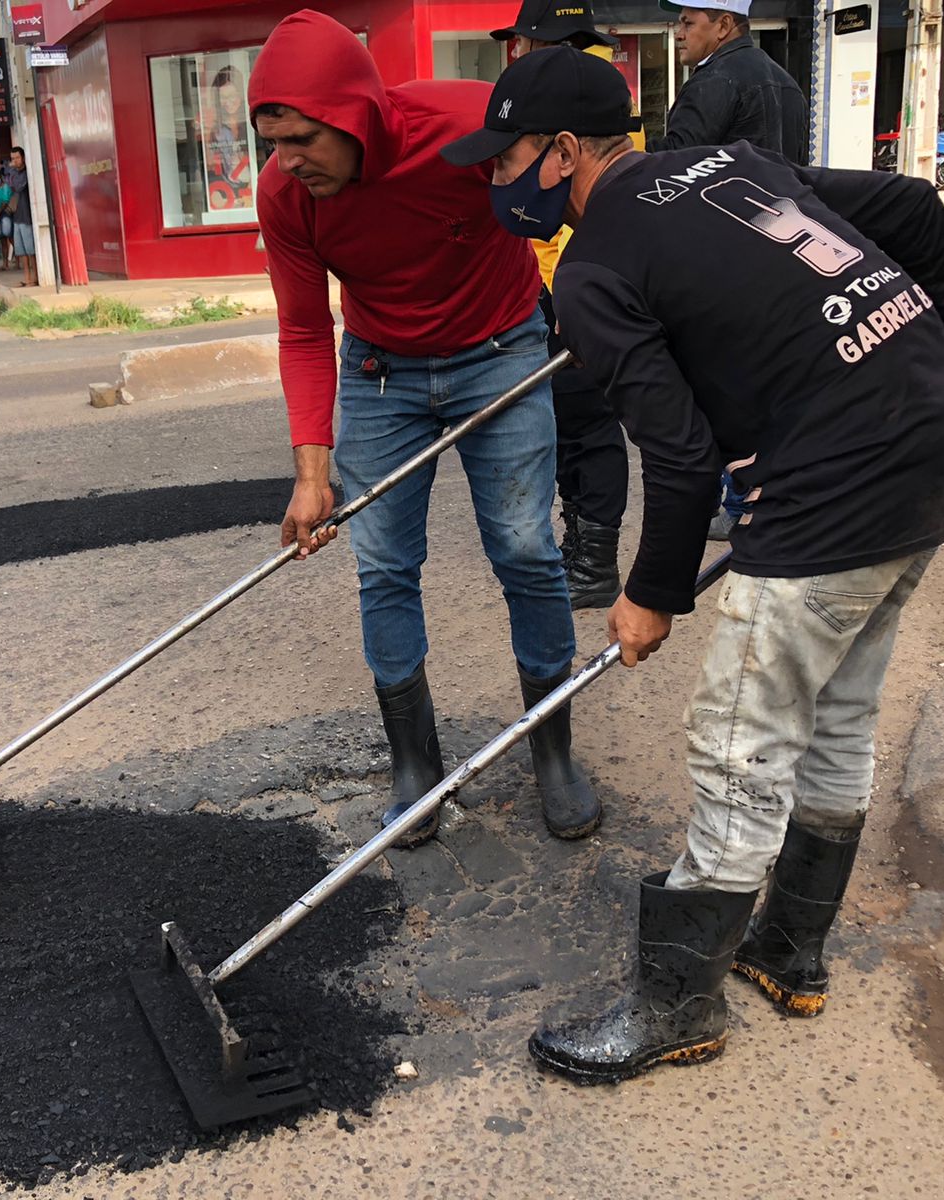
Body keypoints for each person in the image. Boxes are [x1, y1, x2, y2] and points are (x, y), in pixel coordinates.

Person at [444, 48, 944, 1084]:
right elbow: (917, 207)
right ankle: (787, 951)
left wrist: (648, 596)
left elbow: (682, 455)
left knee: (741, 739)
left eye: (503, 159)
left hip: (836, 483)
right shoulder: (726, 165)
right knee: (836, 711)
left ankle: (673, 1008)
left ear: (562, 154)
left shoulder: (597, 270)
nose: (493, 183)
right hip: (932, 439)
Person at [251, 10, 601, 846]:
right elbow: (303, 330)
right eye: (272, 139)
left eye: (302, 137)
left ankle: (552, 748)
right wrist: (311, 471)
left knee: (524, 548)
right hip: (380, 371)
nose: (287, 160)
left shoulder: (469, 123)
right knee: (383, 564)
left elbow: (576, 185)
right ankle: (416, 760)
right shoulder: (285, 195)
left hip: (501, 348)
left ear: (355, 114)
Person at [492, 0, 635, 609]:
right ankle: (585, 547)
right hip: (564, 284)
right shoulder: (593, 95)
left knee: (589, 425)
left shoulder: (576, 109)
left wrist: (571, 299)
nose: (517, 52)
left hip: (581, 286)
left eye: (523, 41)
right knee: (576, 427)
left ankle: (595, 561)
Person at [657, 0, 810, 540]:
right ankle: (764, 491)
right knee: (773, 375)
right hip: (783, 243)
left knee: (718, 381)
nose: (678, 31)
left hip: (723, 252)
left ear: (724, 25)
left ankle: (740, 497)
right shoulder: (783, 80)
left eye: (688, 22)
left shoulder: (714, 81)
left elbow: (679, 172)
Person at [206, 65, 254, 210]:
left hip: (254, 194)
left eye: (232, 95)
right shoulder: (216, 131)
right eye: (223, 97)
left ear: (241, 93)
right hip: (229, 198)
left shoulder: (253, 125)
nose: (228, 102)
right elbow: (214, 168)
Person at [7, 148, 38, 288]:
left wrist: (12, 171)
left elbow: (18, 186)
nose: (15, 161)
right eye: (12, 158)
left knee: (31, 250)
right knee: (22, 251)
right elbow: (9, 185)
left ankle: (35, 277)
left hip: (26, 216)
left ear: (23, 157)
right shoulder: (13, 173)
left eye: (17, 158)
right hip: (17, 216)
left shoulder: (26, 173)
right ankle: (26, 278)